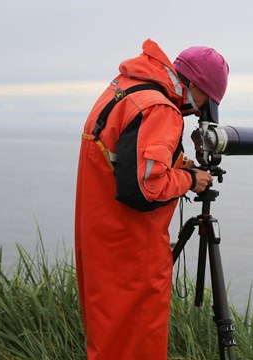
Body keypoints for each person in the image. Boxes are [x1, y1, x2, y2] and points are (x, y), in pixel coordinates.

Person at [75, 38, 229, 359]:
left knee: (110, 343)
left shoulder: (125, 90)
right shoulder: (159, 108)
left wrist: (179, 165)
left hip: (102, 243)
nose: (200, 111)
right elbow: (145, 188)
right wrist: (190, 178)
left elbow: (125, 159)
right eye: (207, 103)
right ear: (197, 87)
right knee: (138, 345)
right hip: (132, 254)